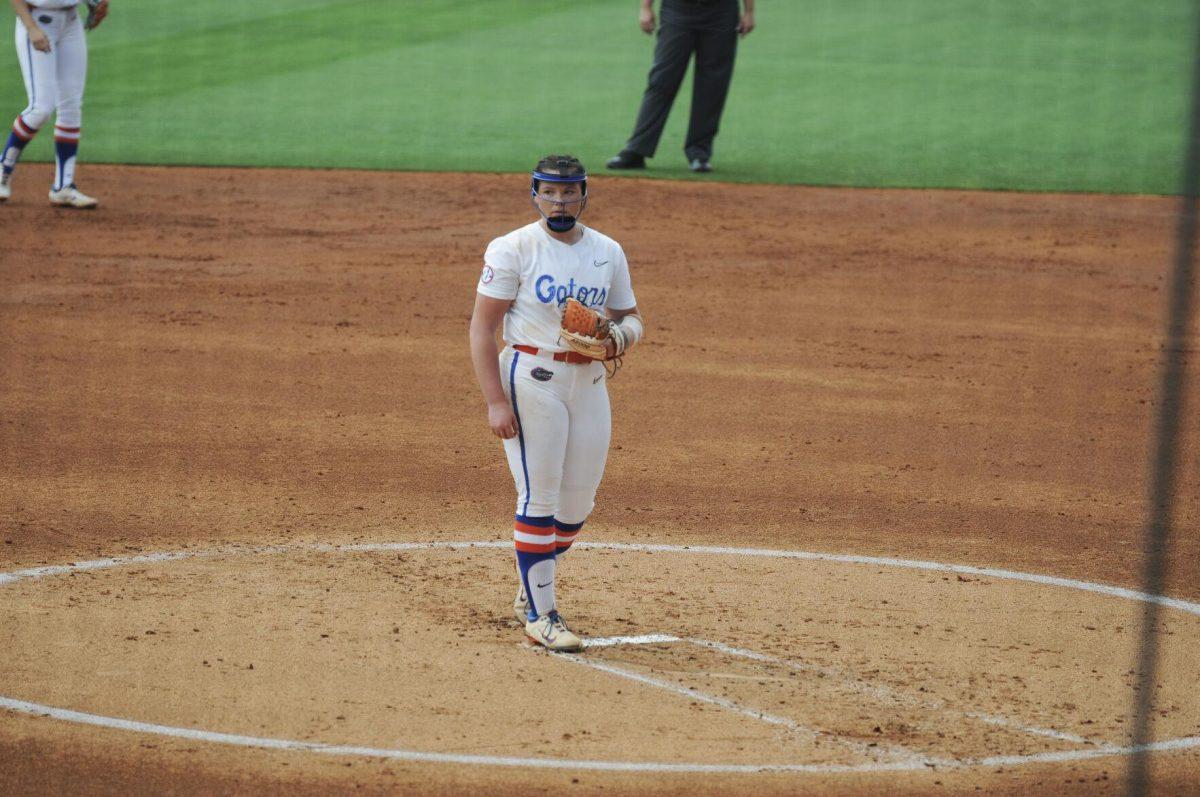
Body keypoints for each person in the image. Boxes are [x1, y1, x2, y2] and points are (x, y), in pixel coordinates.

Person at [469, 155, 645, 652]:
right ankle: (542, 614)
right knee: (539, 498)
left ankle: (531, 582)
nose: (559, 201)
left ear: (584, 194)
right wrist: (495, 402)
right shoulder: (513, 248)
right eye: (549, 192)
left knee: (576, 505)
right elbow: (482, 329)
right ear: (534, 194)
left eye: (569, 193)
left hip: (588, 382)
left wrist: (618, 340)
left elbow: (630, 316)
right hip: (533, 378)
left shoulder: (607, 251)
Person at [606, 0, 755, 173]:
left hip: (721, 12)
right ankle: (636, 150)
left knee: (712, 86)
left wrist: (749, 11)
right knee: (661, 81)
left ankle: (699, 154)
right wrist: (646, 7)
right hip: (677, 10)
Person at [0, 0, 108, 208]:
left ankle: (63, 187)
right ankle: (4, 166)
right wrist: (31, 27)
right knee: (40, 109)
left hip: (71, 23)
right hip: (37, 21)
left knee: (71, 106)